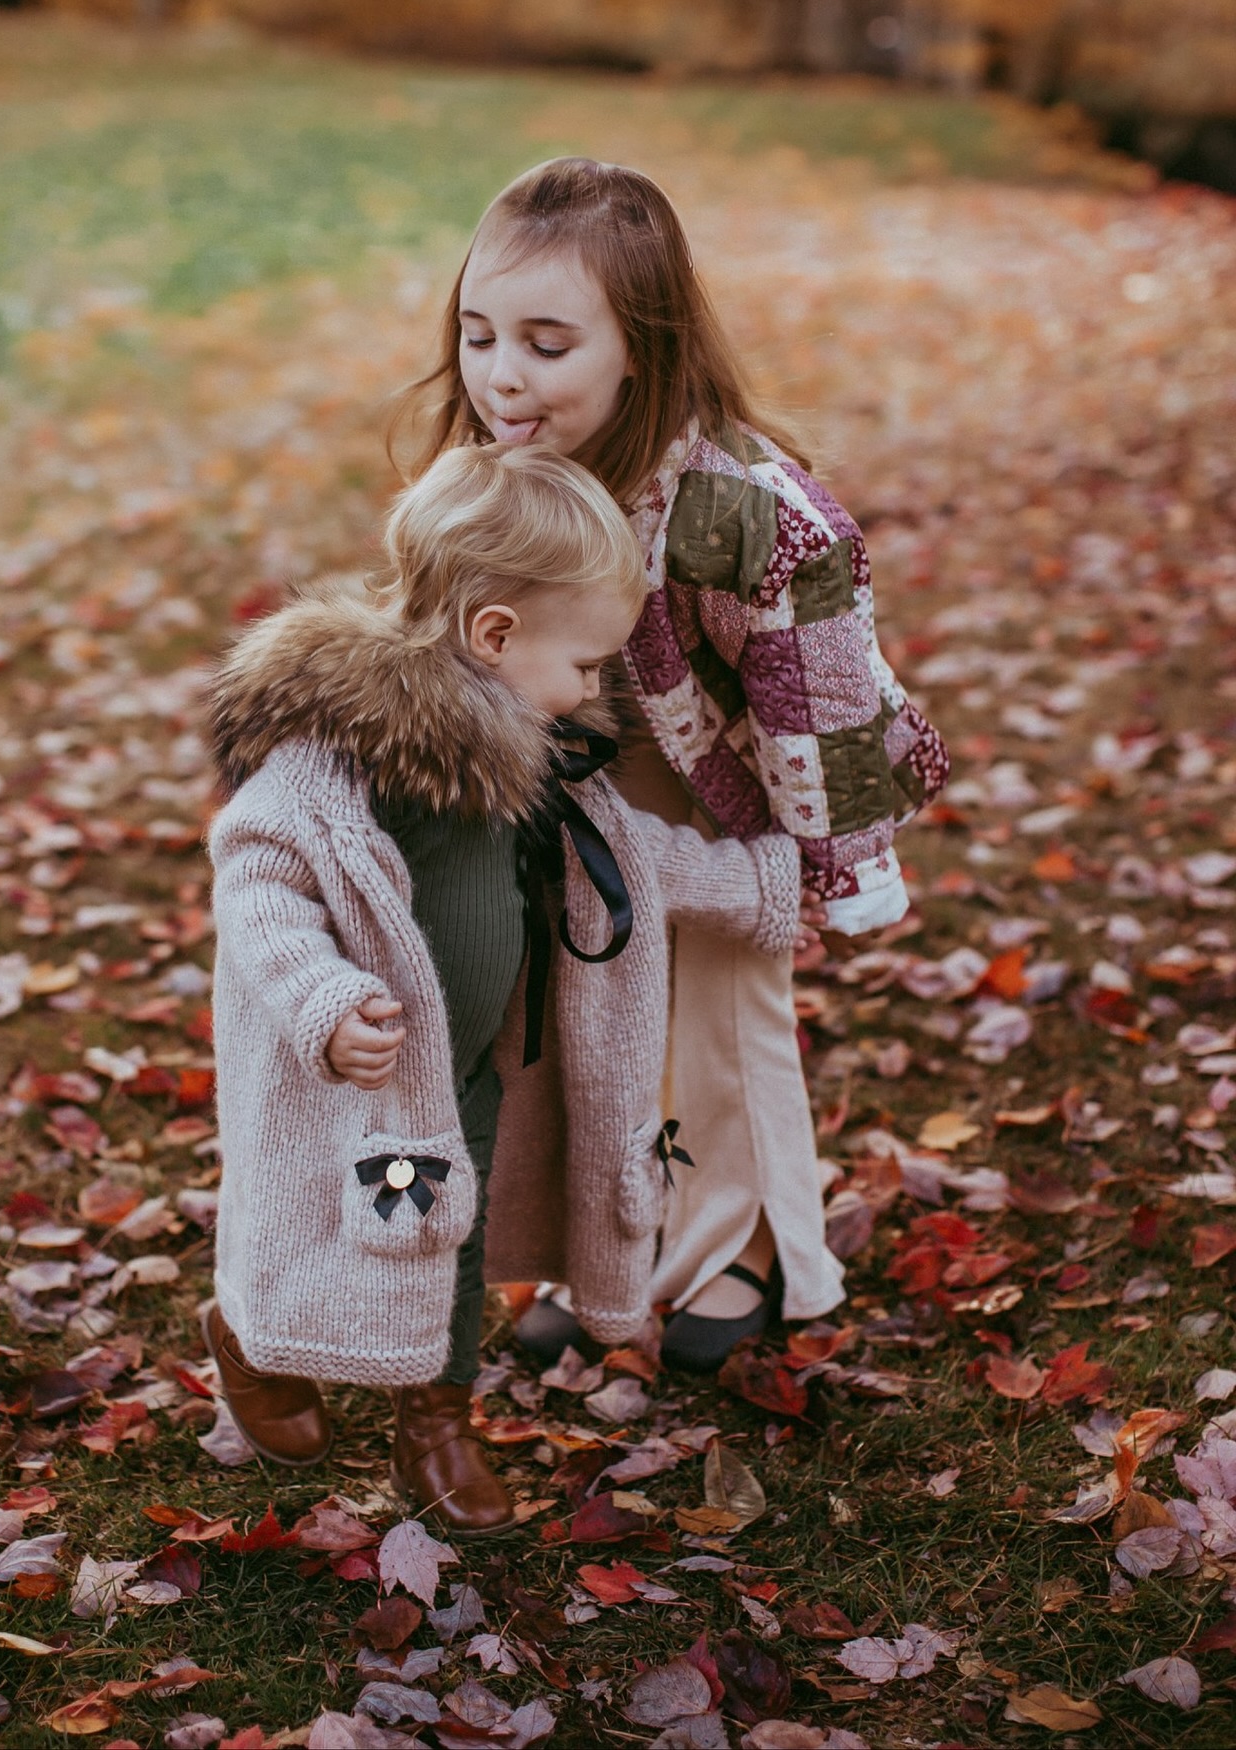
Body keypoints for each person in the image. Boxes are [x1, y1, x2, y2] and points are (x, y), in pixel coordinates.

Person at [397, 157, 949, 1372]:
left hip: (733, 782)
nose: (501, 375)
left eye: (547, 344)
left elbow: (821, 678)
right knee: (588, 1013)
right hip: (573, 780)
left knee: (713, 1004)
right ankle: (610, 1247)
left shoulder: (746, 508)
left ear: (639, 344)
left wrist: (833, 850)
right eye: (480, 334)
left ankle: (736, 1246)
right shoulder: (498, 468)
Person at [201, 442, 809, 1535]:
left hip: (460, 1082)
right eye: (585, 664)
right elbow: (257, 883)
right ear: (494, 635)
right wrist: (324, 1002)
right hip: (344, 1079)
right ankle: (253, 1339)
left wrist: (761, 883)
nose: (594, 689)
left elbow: (637, 861)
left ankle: (436, 1422)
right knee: (317, 1229)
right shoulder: (340, 756)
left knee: (452, 1237)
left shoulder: (539, 751)